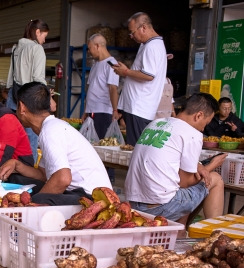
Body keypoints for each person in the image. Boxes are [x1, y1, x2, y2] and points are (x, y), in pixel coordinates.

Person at [0, 82, 111, 204]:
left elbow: (63, 179)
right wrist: (16, 164)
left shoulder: (50, 131)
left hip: (92, 198)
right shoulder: (52, 127)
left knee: (36, 200)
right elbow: (43, 175)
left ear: (22, 107)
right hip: (80, 193)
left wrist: (33, 204)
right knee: (16, 179)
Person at [125, 93, 226, 224]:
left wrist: (199, 166)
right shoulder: (192, 134)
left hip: (134, 204)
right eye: (205, 123)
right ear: (199, 115)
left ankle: (179, 231)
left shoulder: (155, 124)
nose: (203, 128)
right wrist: (212, 165)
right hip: (160, 208)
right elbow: (184, 183)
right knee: (216, 179)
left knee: (180, 186)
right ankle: (214, 233)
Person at [113, 12, 167, 146]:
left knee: (138, 149)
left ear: (143, 27)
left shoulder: (152, 47)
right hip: (136, 107)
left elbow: (149, 75)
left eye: (132, 32)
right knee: (135, 147)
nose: (131, 37)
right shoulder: (148, 45)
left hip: (139, 108)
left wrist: (125, 71)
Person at [6, 19, 49, 158]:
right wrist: (48, 95)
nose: (44, 40)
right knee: (31, 139)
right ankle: (28, 173)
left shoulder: (16, 48)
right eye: (44, 36)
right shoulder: (37, 49)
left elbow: (11, 76)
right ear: (37, 32)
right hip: (30, 100)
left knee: (13, 137)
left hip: (14, 97)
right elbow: (38, 78)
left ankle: (13, 167)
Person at [83, 33, 120, 139]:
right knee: (91, 142)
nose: (89, 52)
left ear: (98, 46)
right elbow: (90, 89)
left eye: (90, 48)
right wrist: (86, 111)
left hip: (103, 112)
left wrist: (115, 110)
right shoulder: (95, 65)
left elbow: (113, 88)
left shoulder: (111, 64)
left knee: (100, 142)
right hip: (92, 111)